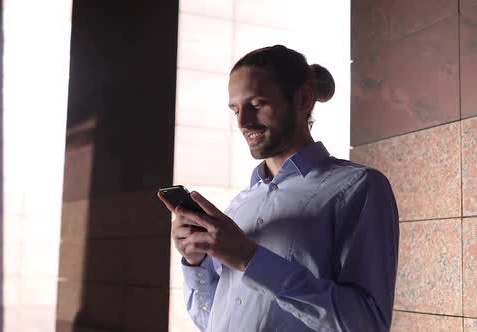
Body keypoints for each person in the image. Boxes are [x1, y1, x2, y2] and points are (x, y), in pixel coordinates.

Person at [158, 45, 399, 332]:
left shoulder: (358, 187)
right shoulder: (240, 205)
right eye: (235, 109)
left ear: (304, 99)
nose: (242, 122)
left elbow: (367, 324)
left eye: (257, 104)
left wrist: (250, 258)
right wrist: (195, 262)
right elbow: (213, 321)